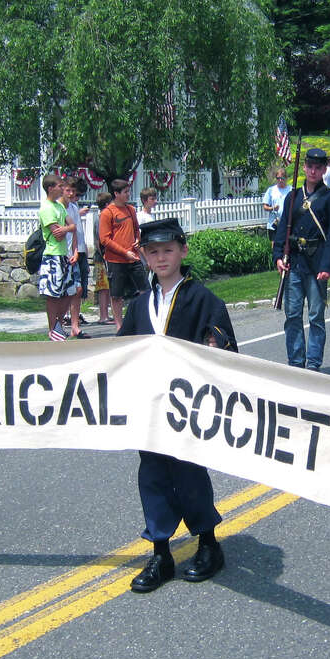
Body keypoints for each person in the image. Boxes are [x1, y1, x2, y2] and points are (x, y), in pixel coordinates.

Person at [118, 218, 237, 593]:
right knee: (152, 478)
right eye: (153, 252)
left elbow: (224, 346)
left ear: (183, 251)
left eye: (168, 250)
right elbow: (119, 352)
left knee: (188, 476)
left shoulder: (203, 299)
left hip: (187, 409)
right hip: (149, 410)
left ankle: (208, 544)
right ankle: (160, 552)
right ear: (144, 257)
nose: (161, 257)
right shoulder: (139, 306)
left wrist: (216, 346)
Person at [272, 148, 330, 371]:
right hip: (294, 262)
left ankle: (313, 364)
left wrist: (328, 267)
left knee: (315, 317)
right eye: (310, 166)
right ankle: (296, 362)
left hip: (317, 265)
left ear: (324, 169)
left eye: (318, 167)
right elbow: (283, 229)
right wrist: (277, 256)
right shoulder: (292, 197)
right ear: (304, 167)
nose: (313, 171)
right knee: (292, 315)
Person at [99, 178, 145, 332]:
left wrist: (138, 240)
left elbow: (137, 229)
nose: (128, 194)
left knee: (144, 290)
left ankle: (143, 320)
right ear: (116, 193)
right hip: (115, 260)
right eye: (125, 192)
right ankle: (120, 326)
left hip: (134, 258)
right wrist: (124, 252)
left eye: (128, 191)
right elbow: (104, 239)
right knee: (117, 295)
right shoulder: (107, 213)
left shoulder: (131, 209)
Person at [37, 173, 74, 339]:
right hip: (52, 256)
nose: (62, 188)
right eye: (59, 186)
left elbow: (72, 225)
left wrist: (66, 229)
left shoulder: (60, 207)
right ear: (50, 188)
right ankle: (52, 329)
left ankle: (58, 323)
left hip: (63, 255)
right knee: (53, 295)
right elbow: (57, 235)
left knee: (70, 291)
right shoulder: (46, 208)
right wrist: (66, 229)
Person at [59, 178, 89, 339]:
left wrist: (77, 251)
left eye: (73, 191)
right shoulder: (56, 208)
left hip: (74, 254)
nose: (71, 194)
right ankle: (57, 325)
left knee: (77, 290)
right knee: (61, 293)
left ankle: (75, 326)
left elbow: (76, 232)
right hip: (60, 254)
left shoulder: (73, 207)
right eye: (68, 190)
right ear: (62, 189)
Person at [93, 191, 114, 324]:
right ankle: (103, 316)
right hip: (102, 256)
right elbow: (99, 240)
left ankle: (107, 314)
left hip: (106, 255)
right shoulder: (101, 218)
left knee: (108, 287)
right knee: (103, 287)